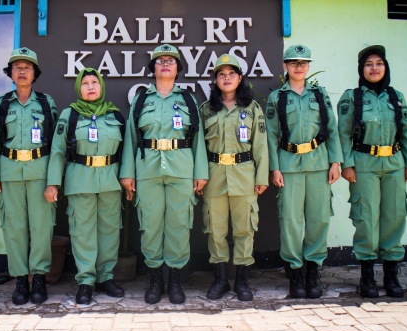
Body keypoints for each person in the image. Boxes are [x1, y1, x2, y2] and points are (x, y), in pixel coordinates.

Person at [119, 44, 209, 305]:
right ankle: (155, 279)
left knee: (179, 225)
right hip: (147, 169)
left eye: (171, 61)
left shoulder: (188, 100)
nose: (166, 64)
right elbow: (130, 138)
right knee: (150, 225)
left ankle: (176, 280)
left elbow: (198, 138)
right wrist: (128, 173)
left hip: (182, 168)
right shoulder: (141, 100)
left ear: (178, 69)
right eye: (160, 61)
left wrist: (200, 172)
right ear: (154, 69)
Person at [337, 44, 407, 298]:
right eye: (369, 64)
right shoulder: (352, 97)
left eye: (379, 63)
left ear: (386, 67)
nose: (374, 68)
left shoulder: (396, 97)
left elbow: (406, 132)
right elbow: (344, 134)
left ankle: (392, 275)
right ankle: (367, 276)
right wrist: (347, 165)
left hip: (394, 163)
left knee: (395, 216)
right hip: (364, 164)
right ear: (361, 69)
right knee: (366, 218)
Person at [265, 45, 343, 299]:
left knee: (319, 219)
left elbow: (331, 129)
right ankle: (295, 271)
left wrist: (335, 162)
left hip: (319, 164)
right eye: (293, 62)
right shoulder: (278, 97)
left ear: (308, 67)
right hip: (288, 166)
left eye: (303, 62)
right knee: (290, 221)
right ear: (285, 67)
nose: (299, 67)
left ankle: (312, 271)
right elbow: (272, 136)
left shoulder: (319, 95)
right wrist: (274, 167)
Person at [45, 68, 126, 305]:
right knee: (83, 232)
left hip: (110, 180)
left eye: (95, 83)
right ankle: (86, 281)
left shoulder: (115, 115)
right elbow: (58, 151)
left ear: (101, 87)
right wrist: (53, 183)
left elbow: (126, 151)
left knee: (110, 231)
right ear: (78, 88)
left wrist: (128, 179)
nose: (90, 87)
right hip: (80, 180)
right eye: (85, 83)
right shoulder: (70, 115)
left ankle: (106, 277)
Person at [0, 47, 59, 305]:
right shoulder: (2, 103)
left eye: (27, 68)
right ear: (10, 73)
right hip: (10, 171)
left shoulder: (45, 103)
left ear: (34, 73)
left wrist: (53, 179)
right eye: (17, 67)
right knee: (14, 228)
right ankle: (20, 279)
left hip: (39, 171)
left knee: (41, 228)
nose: (21, 71)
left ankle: (39, 277)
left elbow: (55, 144)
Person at [199, 54, 268, 301]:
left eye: (231, 74)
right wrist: (199, 176)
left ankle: (241, 281)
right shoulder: (206, 110)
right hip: (214, 175)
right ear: (216, 81)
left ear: (240, 79)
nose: (226, 78)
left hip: (244, 176)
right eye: (221, 74)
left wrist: (262, 177)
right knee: (216, 230)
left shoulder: (252, 109)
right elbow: (199, 148)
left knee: (244, 229)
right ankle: (219, 280)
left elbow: (260, 145)